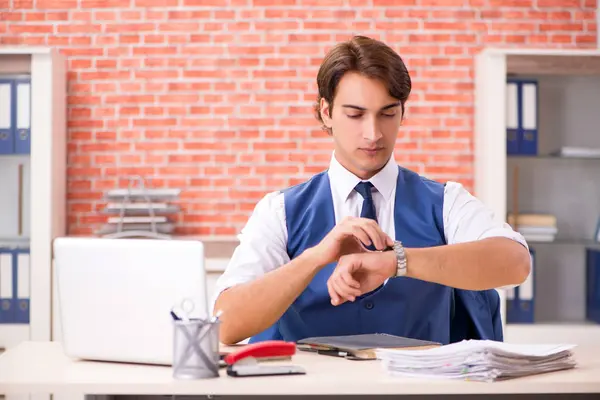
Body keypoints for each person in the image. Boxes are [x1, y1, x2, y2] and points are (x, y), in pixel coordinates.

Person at [212, 35, 531, 346]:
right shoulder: (279, 211)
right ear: (327, 112)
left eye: (388, 113)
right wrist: (314, 258)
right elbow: (226, 326)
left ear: (403, 113)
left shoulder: (446, 202)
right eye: (355, 114)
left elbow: (516, 263)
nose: (373, 133)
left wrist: (396, 262)